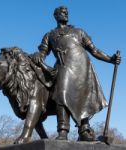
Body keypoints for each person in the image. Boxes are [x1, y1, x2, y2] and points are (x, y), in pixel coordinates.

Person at [33, 6, 121, 141]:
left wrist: (110, 59)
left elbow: (94, 50)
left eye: (67, 12)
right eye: (62, 12)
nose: (65, 14)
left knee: (83, 97)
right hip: (63, 67)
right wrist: (39, 54)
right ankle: (63, 131)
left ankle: (84, 130)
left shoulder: (78, 32)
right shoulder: (50, 35)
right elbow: (43, 51)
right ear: (56, 16)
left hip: (82, 68)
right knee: (60, 95)